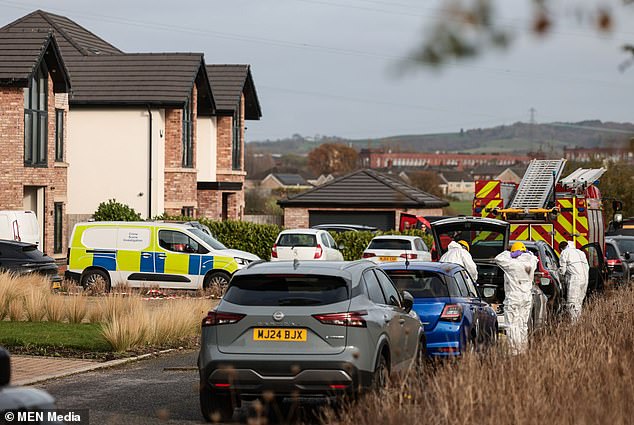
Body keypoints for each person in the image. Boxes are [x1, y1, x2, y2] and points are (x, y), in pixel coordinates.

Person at [494, 241, 538, 355]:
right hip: (526, 297)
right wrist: (524, 252)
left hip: (514, 297)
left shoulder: (512, 264)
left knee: (512, 325)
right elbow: (534, 257)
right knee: (523, 325)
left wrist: (509, 253)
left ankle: (514, 352)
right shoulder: (531, 262)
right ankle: (523, 350)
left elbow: (498, 258)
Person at [558, 240, 590, 321]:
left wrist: (558, 274)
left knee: (572, 302)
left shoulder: (564, 253)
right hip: (585, 278)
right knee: (579, 301)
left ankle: (573, 323)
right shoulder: (580, 252)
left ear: (561, 248)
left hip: (575, 279)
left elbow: (562, 270)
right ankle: (578, 320)